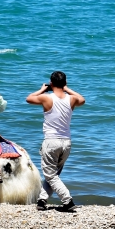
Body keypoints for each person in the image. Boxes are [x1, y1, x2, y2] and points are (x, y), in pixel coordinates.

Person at [26, 71, 85, 212]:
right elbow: (82, 99)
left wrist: (42, 89)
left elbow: (29, 98)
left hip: (51, 141)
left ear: (51, 84)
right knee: (53, 174)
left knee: (50, 175)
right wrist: (67, 89)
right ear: (64, 83)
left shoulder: (47, 98)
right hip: (66, 142)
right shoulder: (71, 99)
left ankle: (68, 200)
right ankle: (42, 200)